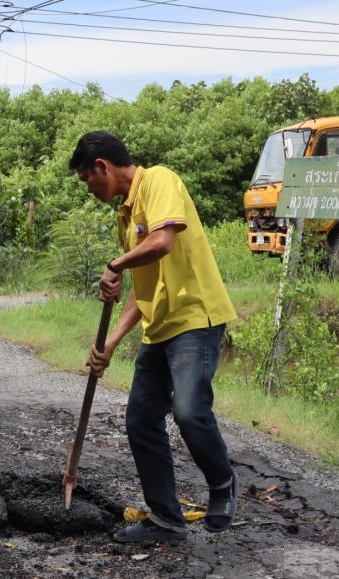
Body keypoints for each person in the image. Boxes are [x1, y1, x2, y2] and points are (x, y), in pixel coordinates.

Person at [69, 131, 238, 544]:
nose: (88, 189)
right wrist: (110, 343)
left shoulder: (159, 180)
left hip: (195, 317)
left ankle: (222, 483)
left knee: (189, 410)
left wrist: (115, 264)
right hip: (159, 327)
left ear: (101, 167)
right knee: (141, 419)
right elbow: (139, 290)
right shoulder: (125, 218)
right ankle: (166, 518)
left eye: (86, 180)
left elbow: (162, 242)